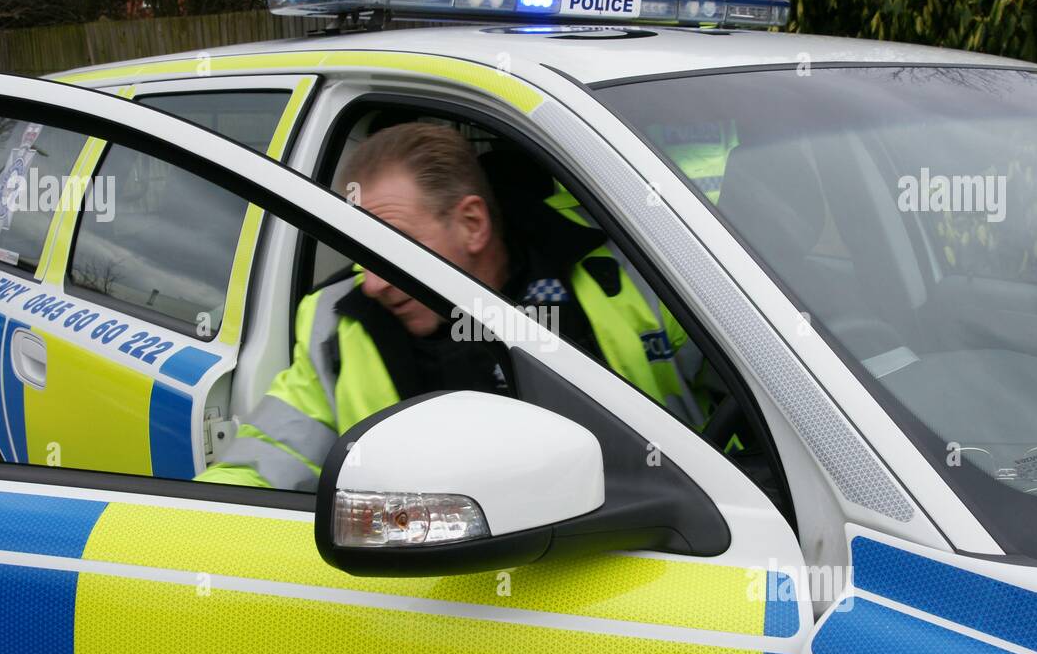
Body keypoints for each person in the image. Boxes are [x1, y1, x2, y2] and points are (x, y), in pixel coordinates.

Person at [196, 122, 715, 491]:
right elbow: (265, 464)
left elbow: (751, 422)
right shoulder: (335, 324)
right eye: (359, 252)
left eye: (392, 249)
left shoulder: (631, 280)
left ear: (471, 223)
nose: (373, 283)